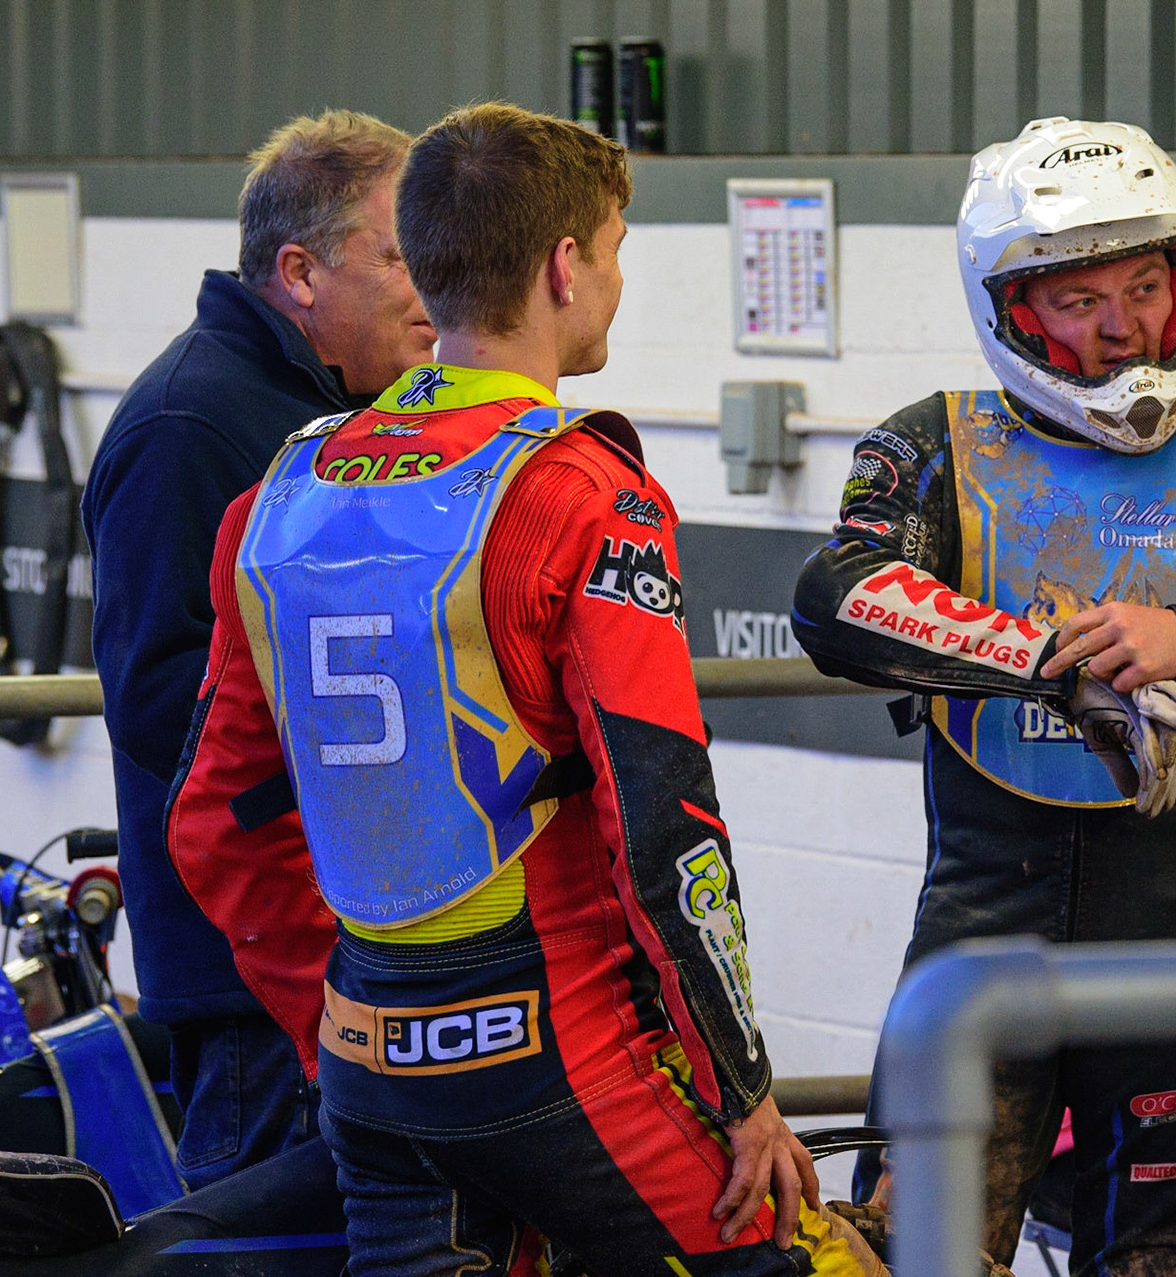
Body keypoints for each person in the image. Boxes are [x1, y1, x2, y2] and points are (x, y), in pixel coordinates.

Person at [163, 102, 877, 1276]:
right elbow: (666, 812)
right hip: (559, 1053)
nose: (613, 282)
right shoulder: (583, 491)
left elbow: (217, 813)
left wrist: (336, 1017)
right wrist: (741, 1084)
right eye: (613, 252)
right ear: (563, 266)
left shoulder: (279, 490)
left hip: (369, 1072)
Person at [793, 116, 1176, 1277]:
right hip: (978, 953)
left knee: (1165, 1264)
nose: (1123, 324)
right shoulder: (936, 446)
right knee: (911, 1255)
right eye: (1079, 301)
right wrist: (1049, 655)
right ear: (1015, 312)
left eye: (1142, 285)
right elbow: (833, 596)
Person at [82, 108, 432, 1190]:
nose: (431, 286)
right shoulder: (191, 424)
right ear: (300, 271)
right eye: (399, 254)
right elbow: (157, 699)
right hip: (253, 978)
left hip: (353, 941)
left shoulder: (342, 414)